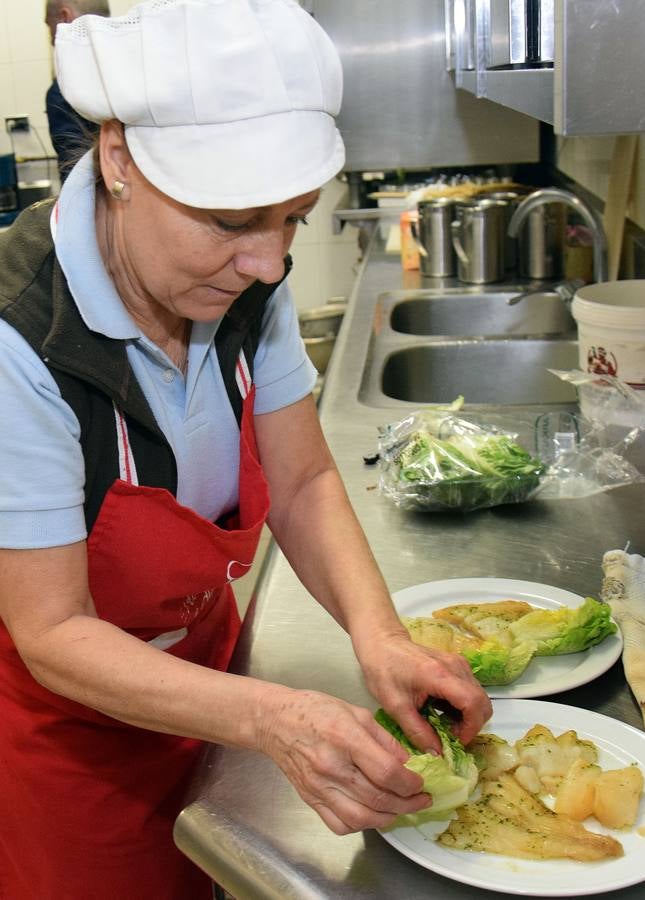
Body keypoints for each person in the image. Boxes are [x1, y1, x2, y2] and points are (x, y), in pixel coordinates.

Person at [0, 1, 493, 897]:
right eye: (231, 222)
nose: (268, 262)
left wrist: (378, 636)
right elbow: (53, 631)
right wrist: (278, 719)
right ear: (119, 160)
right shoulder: (19, 340)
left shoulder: (243, 287)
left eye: (293, 217)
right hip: (75, 740)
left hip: (212, 680)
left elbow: (301, 480)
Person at [44, 0, 110, 182]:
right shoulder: (139, 69)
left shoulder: (64, 92)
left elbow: (76, 177)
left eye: (49, 25)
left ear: (65, 18)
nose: (51, 40)